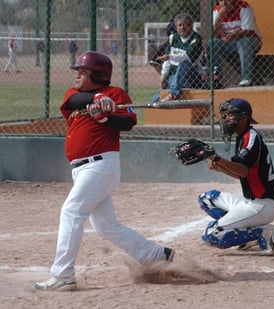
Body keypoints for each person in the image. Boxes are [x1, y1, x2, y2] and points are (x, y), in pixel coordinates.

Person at [34, 51, 175, 291]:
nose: (77, 74)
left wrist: (105, 117)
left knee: (71, 211)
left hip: (100, 166)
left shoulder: (116, 94)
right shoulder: (76, 94)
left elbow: (128, 123)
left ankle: (63, 274)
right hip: (82, 170)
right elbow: (72, 103)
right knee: (105, 225)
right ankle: (154, 253)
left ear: (98, 74)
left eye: (83, 71)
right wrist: (97, 101)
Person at [198, 98, 274, 255]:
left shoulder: (251, 137)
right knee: (207, 199)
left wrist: (217, 158)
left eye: (230, 115)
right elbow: (243, 175)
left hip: (262, 206)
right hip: (249, 202)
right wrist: (220, 167)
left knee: (213, 235)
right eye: (225, 115)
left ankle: (263, 232)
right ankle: (243, 234)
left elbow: (242, 171)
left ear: (244, 118)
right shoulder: (242, 136)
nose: (225, 119)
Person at [207, 0, 262, 87]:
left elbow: (248, 30)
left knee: (244, 41)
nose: (224, 3)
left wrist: (234, 36)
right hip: (230, 43)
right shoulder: (217, 11)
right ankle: (216, 77)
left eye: (227, 0)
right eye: (221, 0)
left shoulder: (243, 7)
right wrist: (219, 18)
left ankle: (246, 78)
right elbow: (215, 35)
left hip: (250, 41)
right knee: (212, 43)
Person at [151, 13, 203, 103]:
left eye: (185, 25)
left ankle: (173, 95)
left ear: (191, 26)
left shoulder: (196, 39)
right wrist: (163, 75)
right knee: (155, 101)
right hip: (174, 77)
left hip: (191, 77)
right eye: (179, 25)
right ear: (176, 27)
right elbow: (167, 61)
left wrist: (170, 57)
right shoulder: (173, 38)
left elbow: (188, 58)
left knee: (184, 64)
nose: (182, 28)